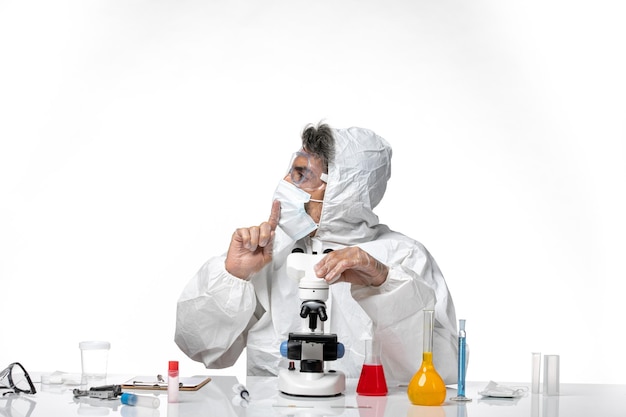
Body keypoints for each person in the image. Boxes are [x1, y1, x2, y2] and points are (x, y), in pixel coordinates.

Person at [175, 123, 458, 384]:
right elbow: (199, 348)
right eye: (290, 171)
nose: (286, 182)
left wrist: (385, 283)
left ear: (343, 191)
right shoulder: (267, 254)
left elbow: (441, 370)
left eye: (301, 174)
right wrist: (233, 276)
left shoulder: (403, 257)